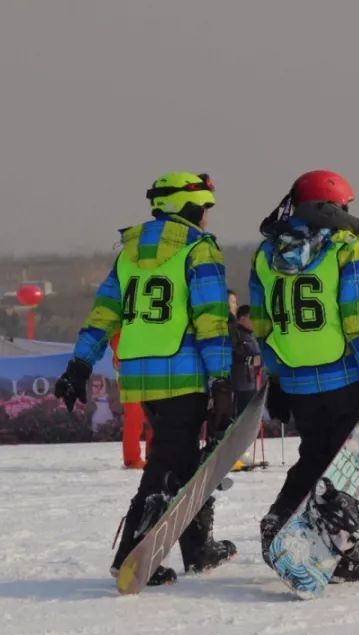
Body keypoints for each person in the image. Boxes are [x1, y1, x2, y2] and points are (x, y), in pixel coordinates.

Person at [54, 171, 236, 587]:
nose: (207, 216)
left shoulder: (128, 253)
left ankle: (197, 548)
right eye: (204, 208)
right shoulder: (198, 250)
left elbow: (104, 314)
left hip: (137, 374)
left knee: (187, 461)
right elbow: (210, 320)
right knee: (169, 463)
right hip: (183, 371)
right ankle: (132, 555)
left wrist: (79, 365)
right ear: (188, 206)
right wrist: (222, 378)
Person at [250, 169, 359, 582]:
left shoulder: (265, 254)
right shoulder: (346, 248)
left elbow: (262, 323)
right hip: (343, 374)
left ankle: (280, 515)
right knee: (346, 466)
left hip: (296, 379)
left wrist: (275, 377)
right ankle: (343, 553)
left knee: (314, 456)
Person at [110, 329, 152, 469]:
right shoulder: (122, 314)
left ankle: (155, 455)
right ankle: (132, 458)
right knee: (135, 415)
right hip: (129, 369)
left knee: (157, 413)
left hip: (153, 366)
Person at [231, 304, 262, 415]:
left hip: (250, 383)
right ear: (243, 318)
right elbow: (235, 355)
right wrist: (253, 359)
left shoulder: (251, 336)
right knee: (242, 416)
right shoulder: (236, 333)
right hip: (240, 383)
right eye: (251, 317)